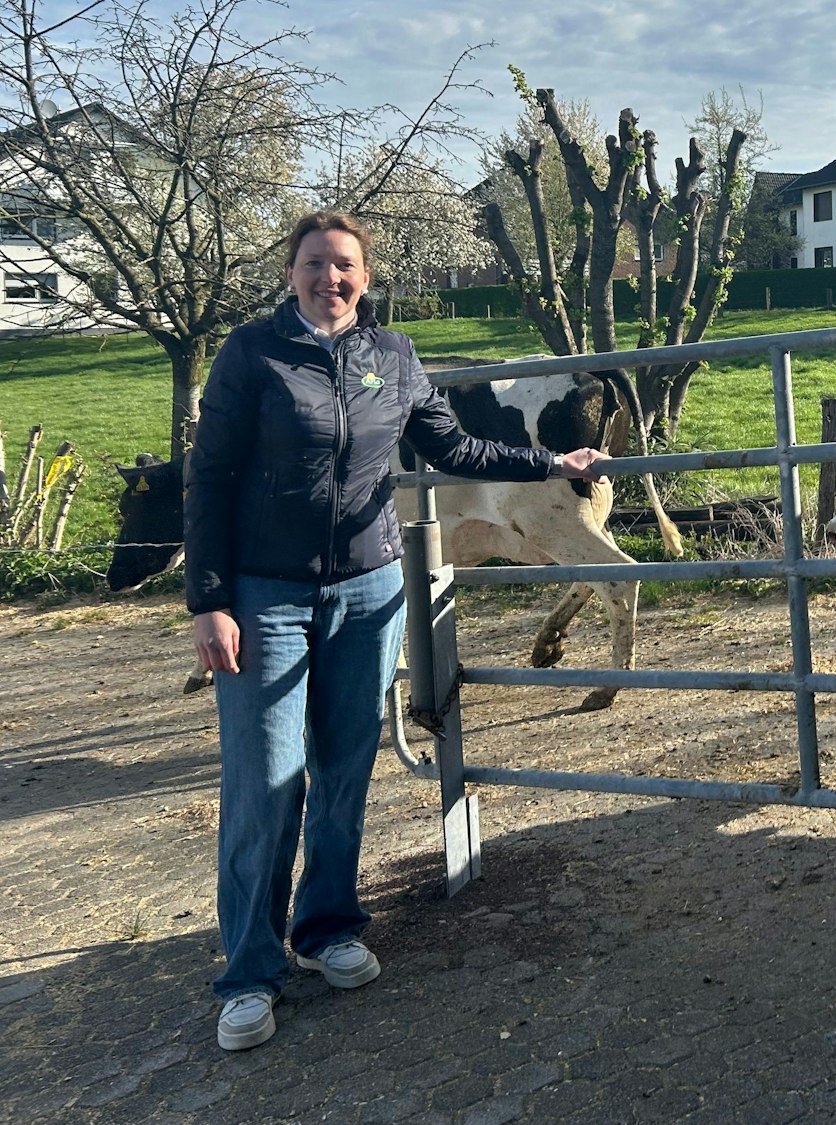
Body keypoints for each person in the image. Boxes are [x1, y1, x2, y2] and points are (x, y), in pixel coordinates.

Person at [186, 211, 609, 1051]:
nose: (328, 279)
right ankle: (249, 969)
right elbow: (209, 476)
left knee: (345, 767)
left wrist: (550, 465)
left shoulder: (394, 358)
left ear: (365, 277)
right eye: (314, 264)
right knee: (267, 778)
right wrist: (209, 598)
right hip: (265, 595)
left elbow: (455, 447)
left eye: (343, 266)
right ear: (291, 272)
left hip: (368, 586)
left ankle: (329, 927)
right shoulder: (252, 356)